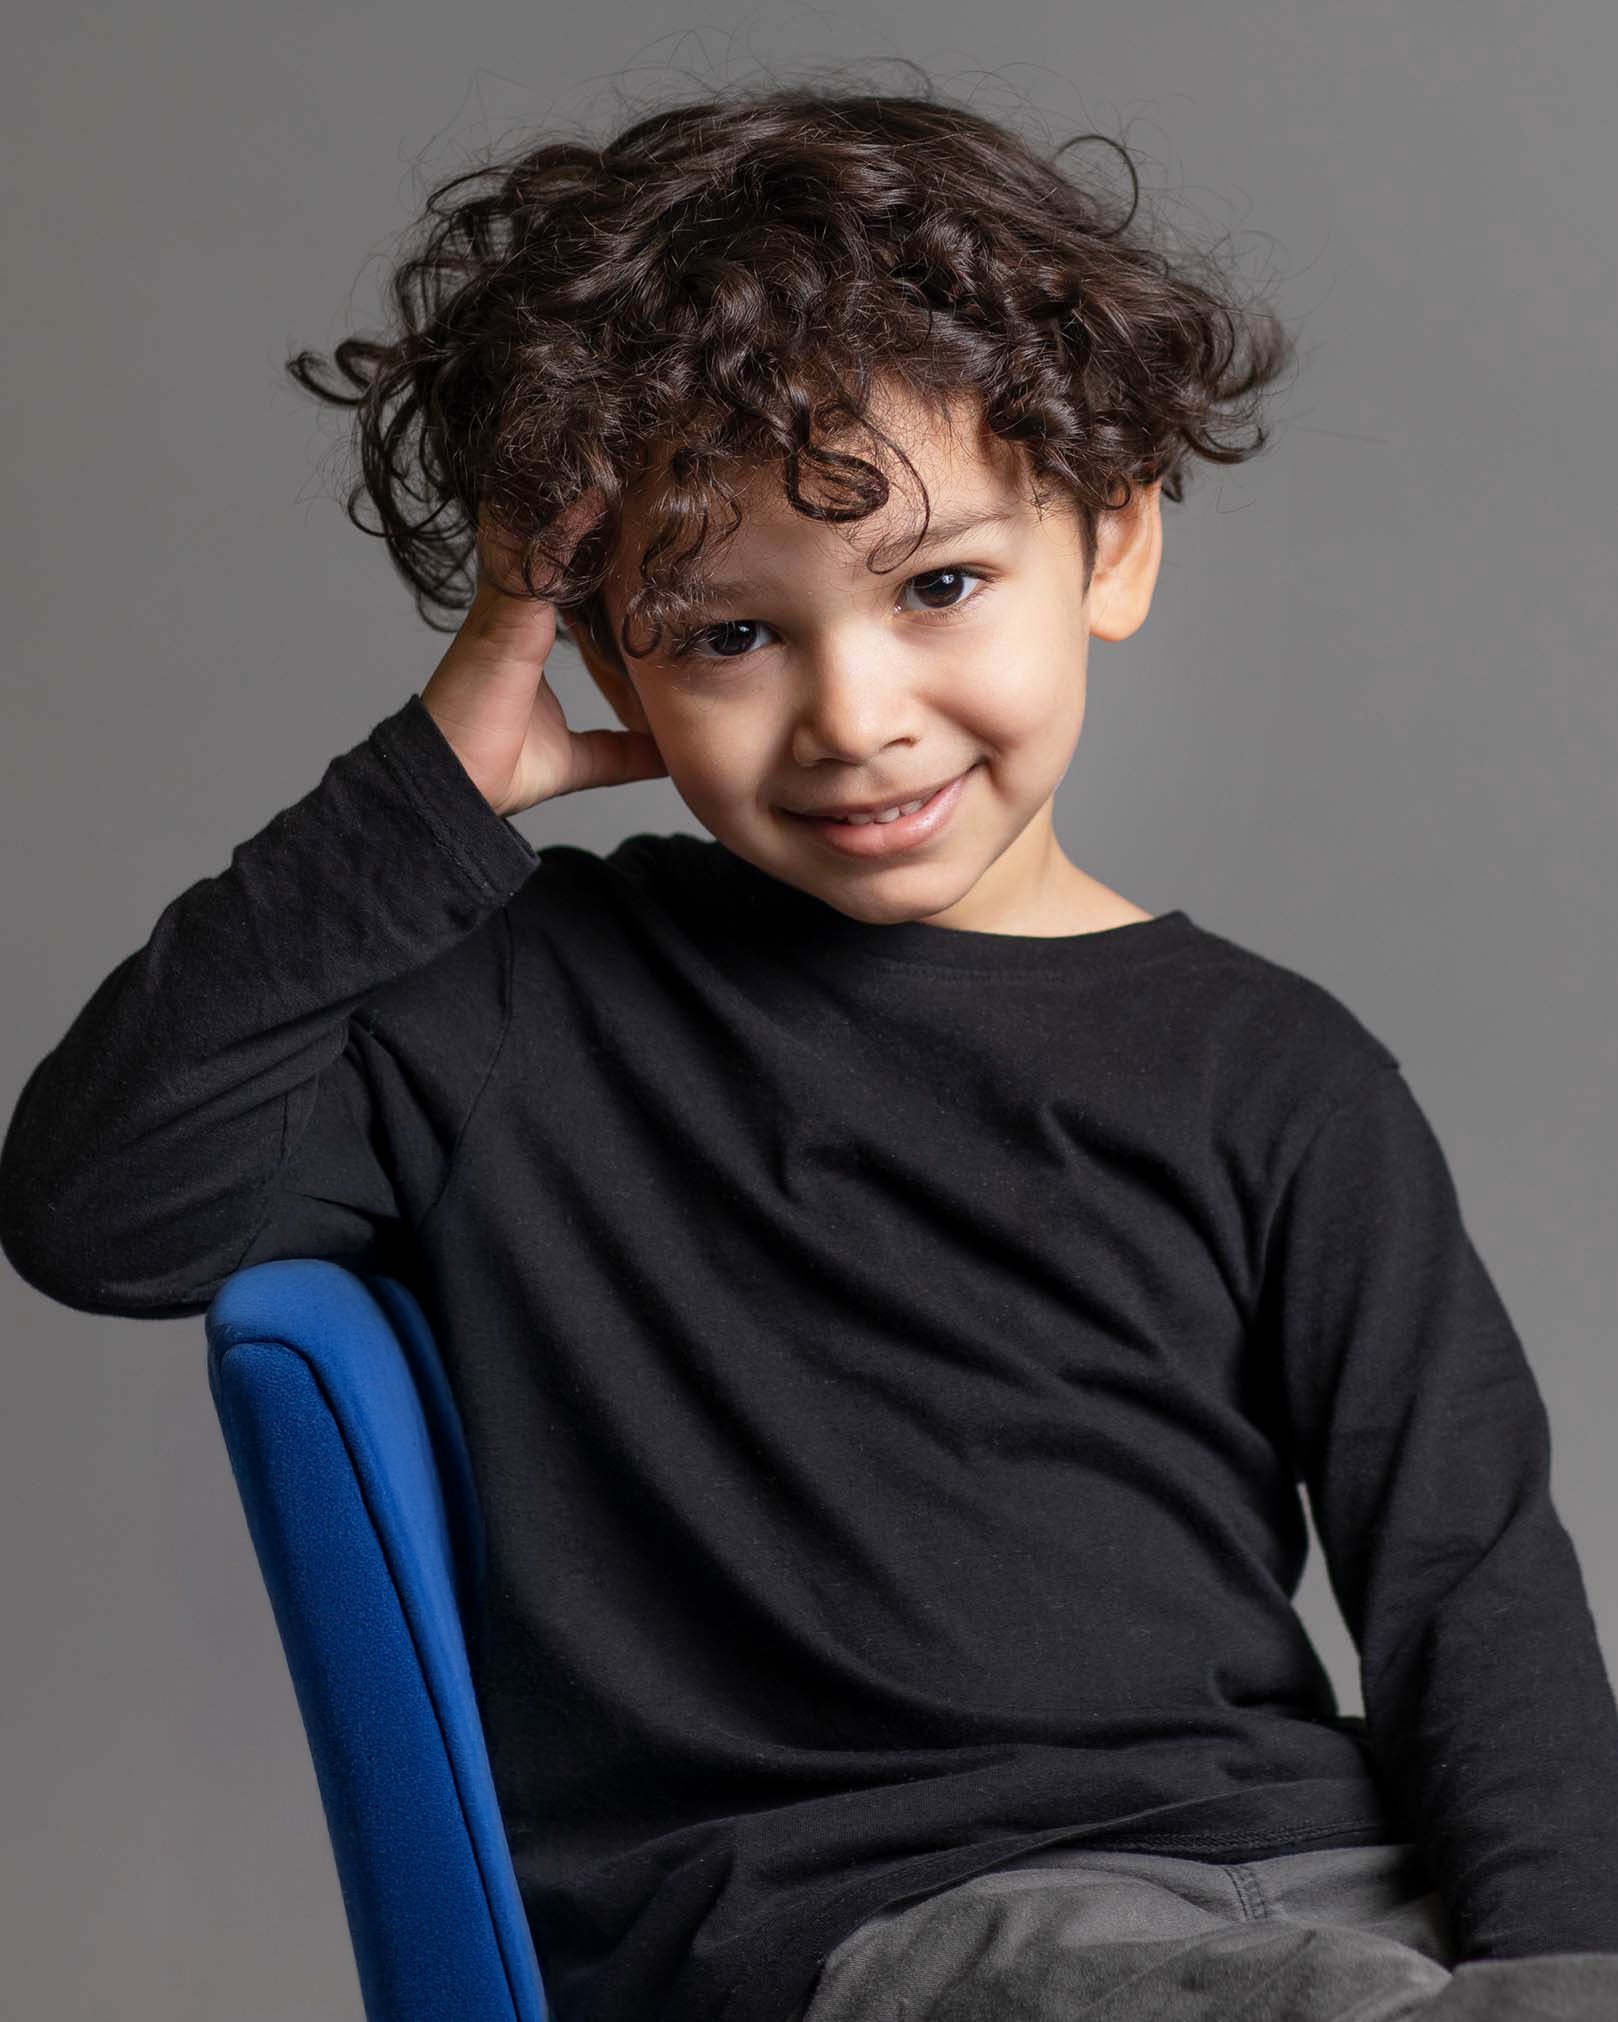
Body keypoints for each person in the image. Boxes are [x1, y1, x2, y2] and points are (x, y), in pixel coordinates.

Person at [3, 69, 1616, 2022]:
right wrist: (429, 787)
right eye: (723, 635)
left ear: (1107, 547)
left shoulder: (1276, 1072)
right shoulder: (517, 1004)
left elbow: (1468, 1584)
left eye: (937, 587)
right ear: (601, 658)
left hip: (1308, 1891)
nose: (852, 716)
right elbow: (102, 1209)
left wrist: (1553, 1962)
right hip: (880, 1933)